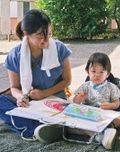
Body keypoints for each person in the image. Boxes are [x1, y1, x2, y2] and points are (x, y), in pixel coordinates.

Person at [0, 9, 72, 141]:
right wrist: (20, 96)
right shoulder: (15, 55)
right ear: (26, 34)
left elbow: (67, 80)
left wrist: (44, 93)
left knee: (59, 114)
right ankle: (39, 128)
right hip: (30, 102)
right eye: (40, 37)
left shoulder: (60, 49)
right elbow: (14, 87)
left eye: (49, 34)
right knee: (1, 101)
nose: (46, 41)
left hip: (54, 100)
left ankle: (35, 127)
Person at [73, 52, 120, 149]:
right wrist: (79, 98)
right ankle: (101, 134)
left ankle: (105, 130)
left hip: (105, 115)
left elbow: (117, 103)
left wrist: (111, 105)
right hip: (88, 115)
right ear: (87, 71)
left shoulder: (111, 87)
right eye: (93, 71)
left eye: (101, 72)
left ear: (107, 74)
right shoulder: (85, 86)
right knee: (72, 113)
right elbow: (75, 102)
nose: (97, 75)